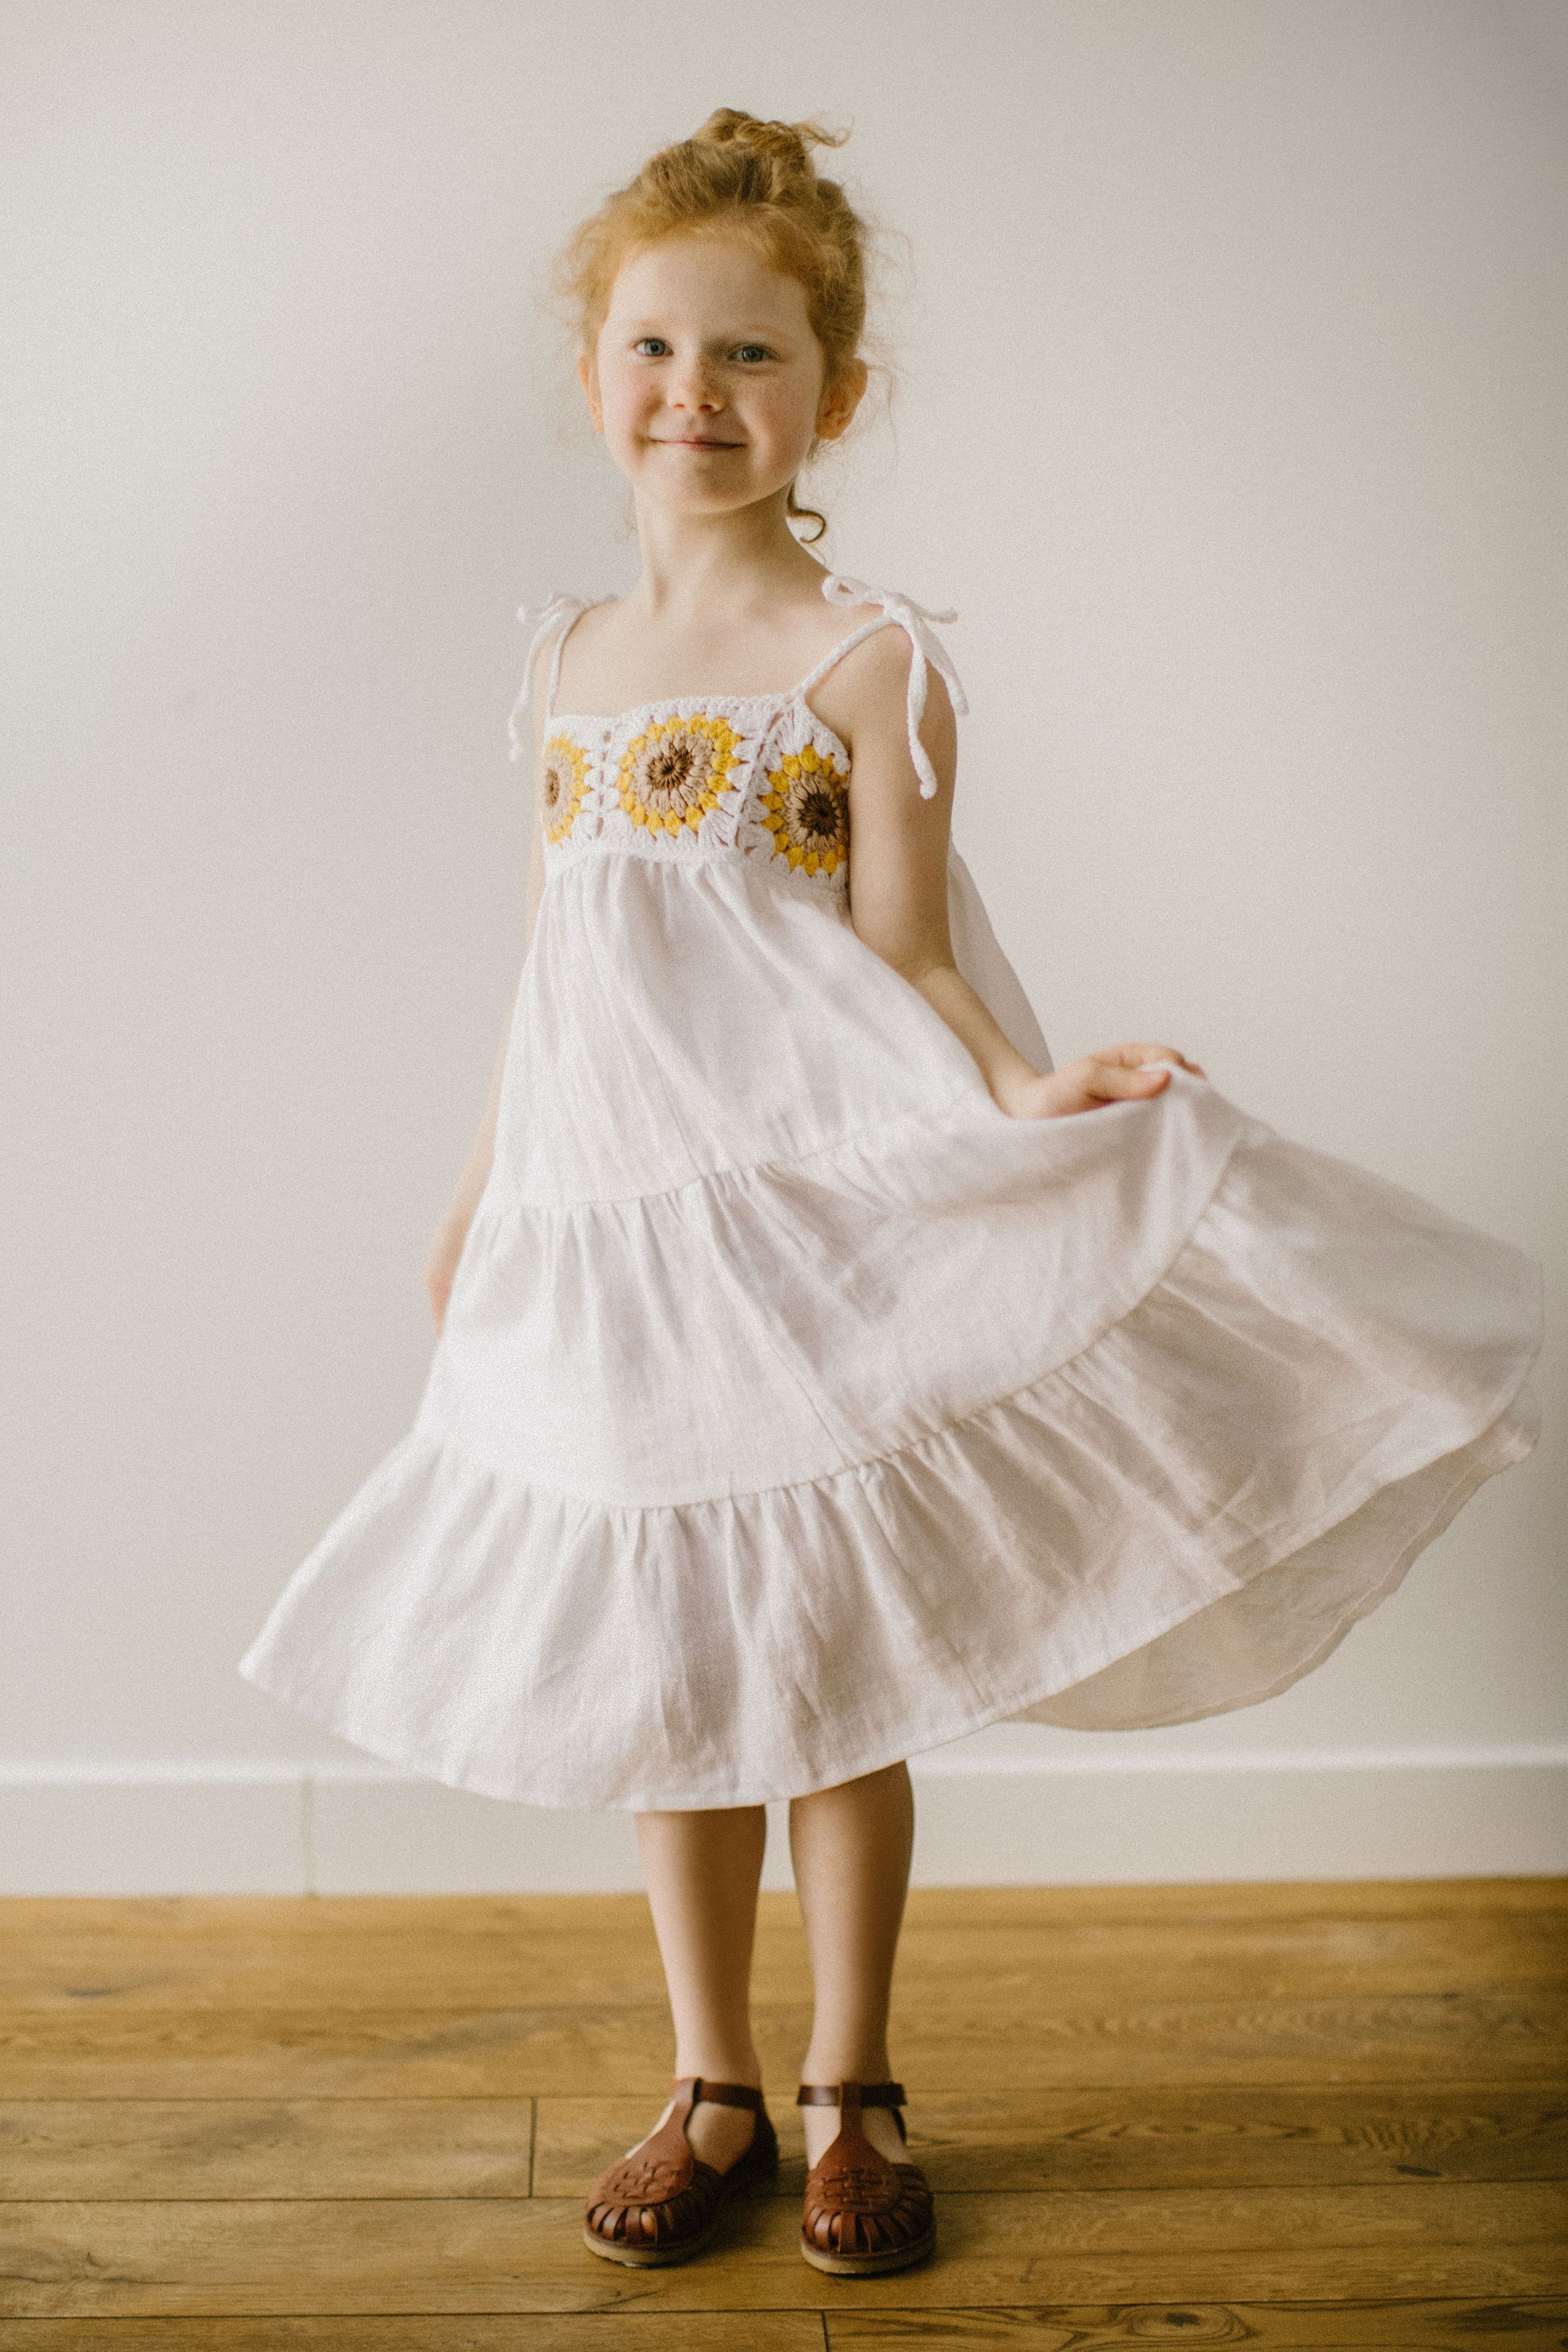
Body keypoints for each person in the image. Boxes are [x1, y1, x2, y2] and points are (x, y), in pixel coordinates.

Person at [237, 108, 1543, 2279]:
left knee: (834, 1668)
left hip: (804, 1212)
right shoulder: (559, 662)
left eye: (750, 357)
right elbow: (565, 960)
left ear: (836, 394)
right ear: (589, 378)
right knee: (674, 1656)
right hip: (610, 1223)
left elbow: (906, 949)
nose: (696, 395)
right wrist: (487, 1184)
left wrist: (1039, 1091)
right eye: (655, 349)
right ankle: (708, 2082)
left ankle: (851, 2083)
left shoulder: (866, 659)